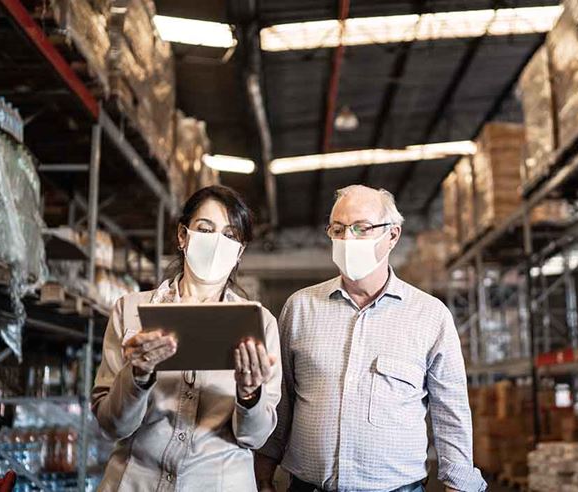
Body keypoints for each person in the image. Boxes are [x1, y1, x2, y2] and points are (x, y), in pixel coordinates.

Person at [256, 185, 486, 492]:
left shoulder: (430, 316)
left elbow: (450, 410)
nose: (348, 239)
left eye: (361, 228)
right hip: (307, 486)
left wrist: (458, 483)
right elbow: (282, 398)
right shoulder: (301, 308)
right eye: (338, 229)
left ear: (392, 236)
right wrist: (262, 470)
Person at [91, 185, 281, 491]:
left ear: (239, 252)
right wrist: (137, 375)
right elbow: (111, 425)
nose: (218, 242)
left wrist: (250, 395)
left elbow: (255, 438)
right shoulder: (131, 311)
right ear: (183, 236)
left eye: (230, 235)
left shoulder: (261, 325)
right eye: (205, 229)